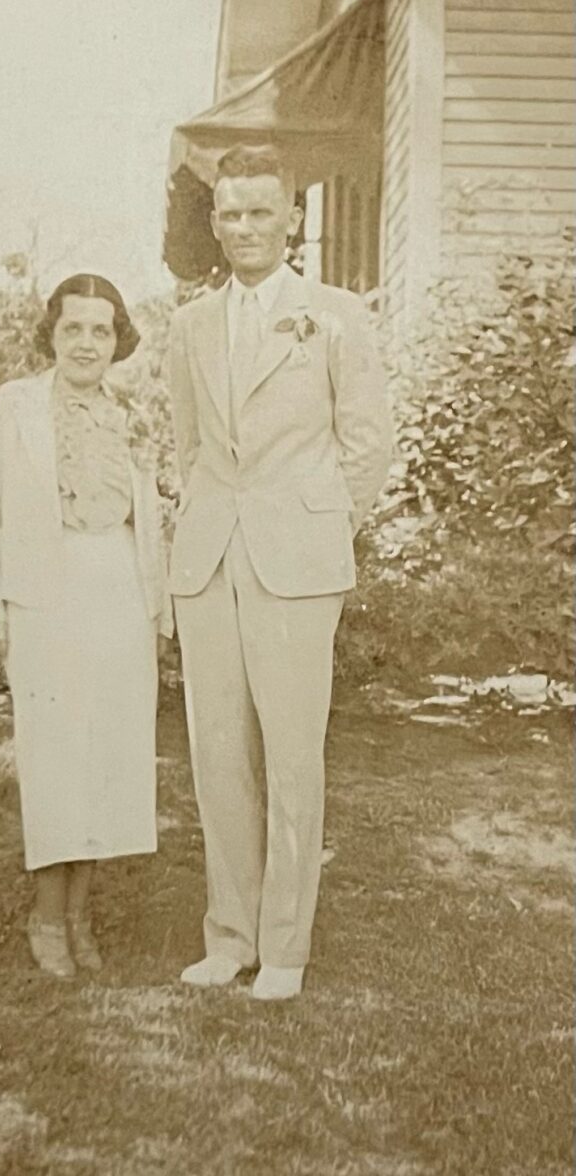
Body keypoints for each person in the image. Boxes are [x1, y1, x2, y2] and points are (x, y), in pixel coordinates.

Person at [169, 144, 392, 1000]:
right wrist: (208, 523)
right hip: (210, 558)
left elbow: (367, 444)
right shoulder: (191, 324)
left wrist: (319, 525)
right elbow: (191, 446)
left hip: (297, 561)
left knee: (294, 756)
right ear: (215, 221)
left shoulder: (333, 315)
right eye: (231, 213)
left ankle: (285, 948)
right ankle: (230, 936)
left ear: (292, 218)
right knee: (217, 752)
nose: (245, 228)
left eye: (261, 211)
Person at [0, 273, 172, 980]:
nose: (87, 343)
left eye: (101, 330)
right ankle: (47, 915)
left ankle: (81, 915)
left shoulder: (131, 413)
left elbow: (150, 520)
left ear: (119, 340)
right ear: (51, 335)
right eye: (73, 328)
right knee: (55, 754)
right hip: (43, 593)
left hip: (119, 588)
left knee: (110, 755)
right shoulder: (15, 406)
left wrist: (159, 608)